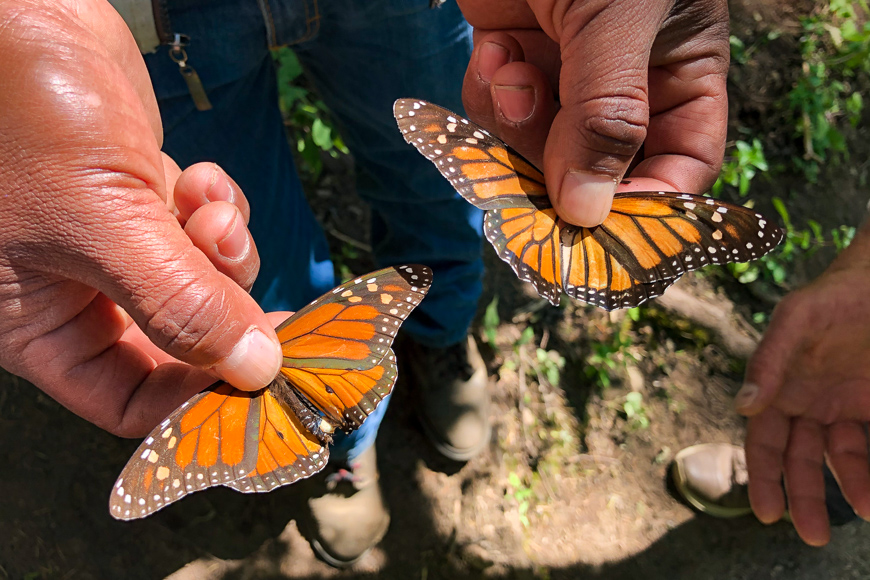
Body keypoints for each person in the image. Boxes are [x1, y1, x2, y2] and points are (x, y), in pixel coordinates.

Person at [0, 0, 731, 568]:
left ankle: (436, 340)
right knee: (231, 237)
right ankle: (343, 438)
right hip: (162, 16)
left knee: (437, 194)